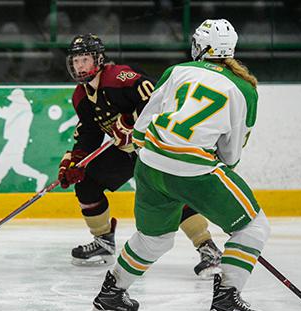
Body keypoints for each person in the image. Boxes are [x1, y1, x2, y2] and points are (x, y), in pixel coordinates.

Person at [86, 20, 270, 311]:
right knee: (252, 226)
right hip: (194, 170)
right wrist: (195, 175)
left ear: (200, 47)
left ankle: (112, 294)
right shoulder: (245, 90)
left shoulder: (177, 71)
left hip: (149, 165)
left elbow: (142, 130)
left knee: (153, 238)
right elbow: (231, 157)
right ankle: (226, 302)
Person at [59, 33, 222, 278]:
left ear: (99, 59)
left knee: (171, 192)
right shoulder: (80, 96)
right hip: (128, 152)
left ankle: (207, 247)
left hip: (156, 146)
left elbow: (156, 97)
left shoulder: (118, 77)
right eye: (76, 61)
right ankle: (103, 242)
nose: (79, 66)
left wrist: (130, 121)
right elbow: (90, 132)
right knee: (87, 182)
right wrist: (77, 161)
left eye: (85, 60)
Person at [0, 88, 48, 193]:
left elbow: (6, 112)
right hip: (17, 140)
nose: (13, 101)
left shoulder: (21, 107)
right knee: (16, 166)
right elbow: (7, 113)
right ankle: (40, 177)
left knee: (3, 161)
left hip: (16, 140)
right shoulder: (22, 107)